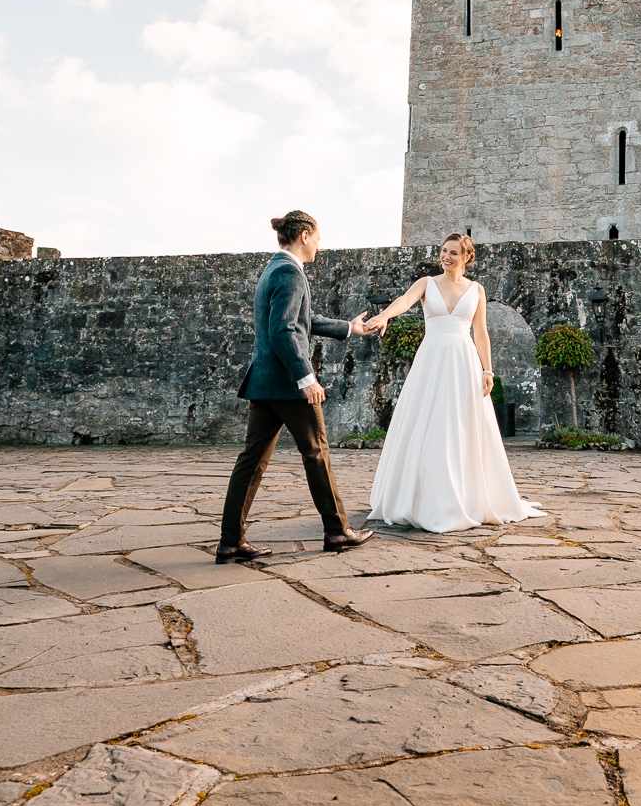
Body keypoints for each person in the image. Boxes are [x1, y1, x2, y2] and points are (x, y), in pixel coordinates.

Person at [216, 210, 381, 562]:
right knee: (316, 452)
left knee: (251, 463)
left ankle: (231, 542)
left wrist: (349, 327)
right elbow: (285, 330)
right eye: (318, 238)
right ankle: (337, 531)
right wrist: (306, 378)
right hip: (288, 385)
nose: (320, 245)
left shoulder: (274, 269)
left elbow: (301, 320)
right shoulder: (290, 273)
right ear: (305, 236)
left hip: (264, 382)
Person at [365, 233, 545, 533]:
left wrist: (488, 370)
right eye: (443, 251)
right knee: (428, 423)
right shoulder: (426, 283)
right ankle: (422, 496)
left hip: (463, 361)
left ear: (466, 257)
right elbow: (403, 302)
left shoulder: (477, 290)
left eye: (454, 252)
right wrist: (384, 315)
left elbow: (481, 333)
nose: (446, 257)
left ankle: (466, 495)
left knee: (461, 426)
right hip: (431, 360)